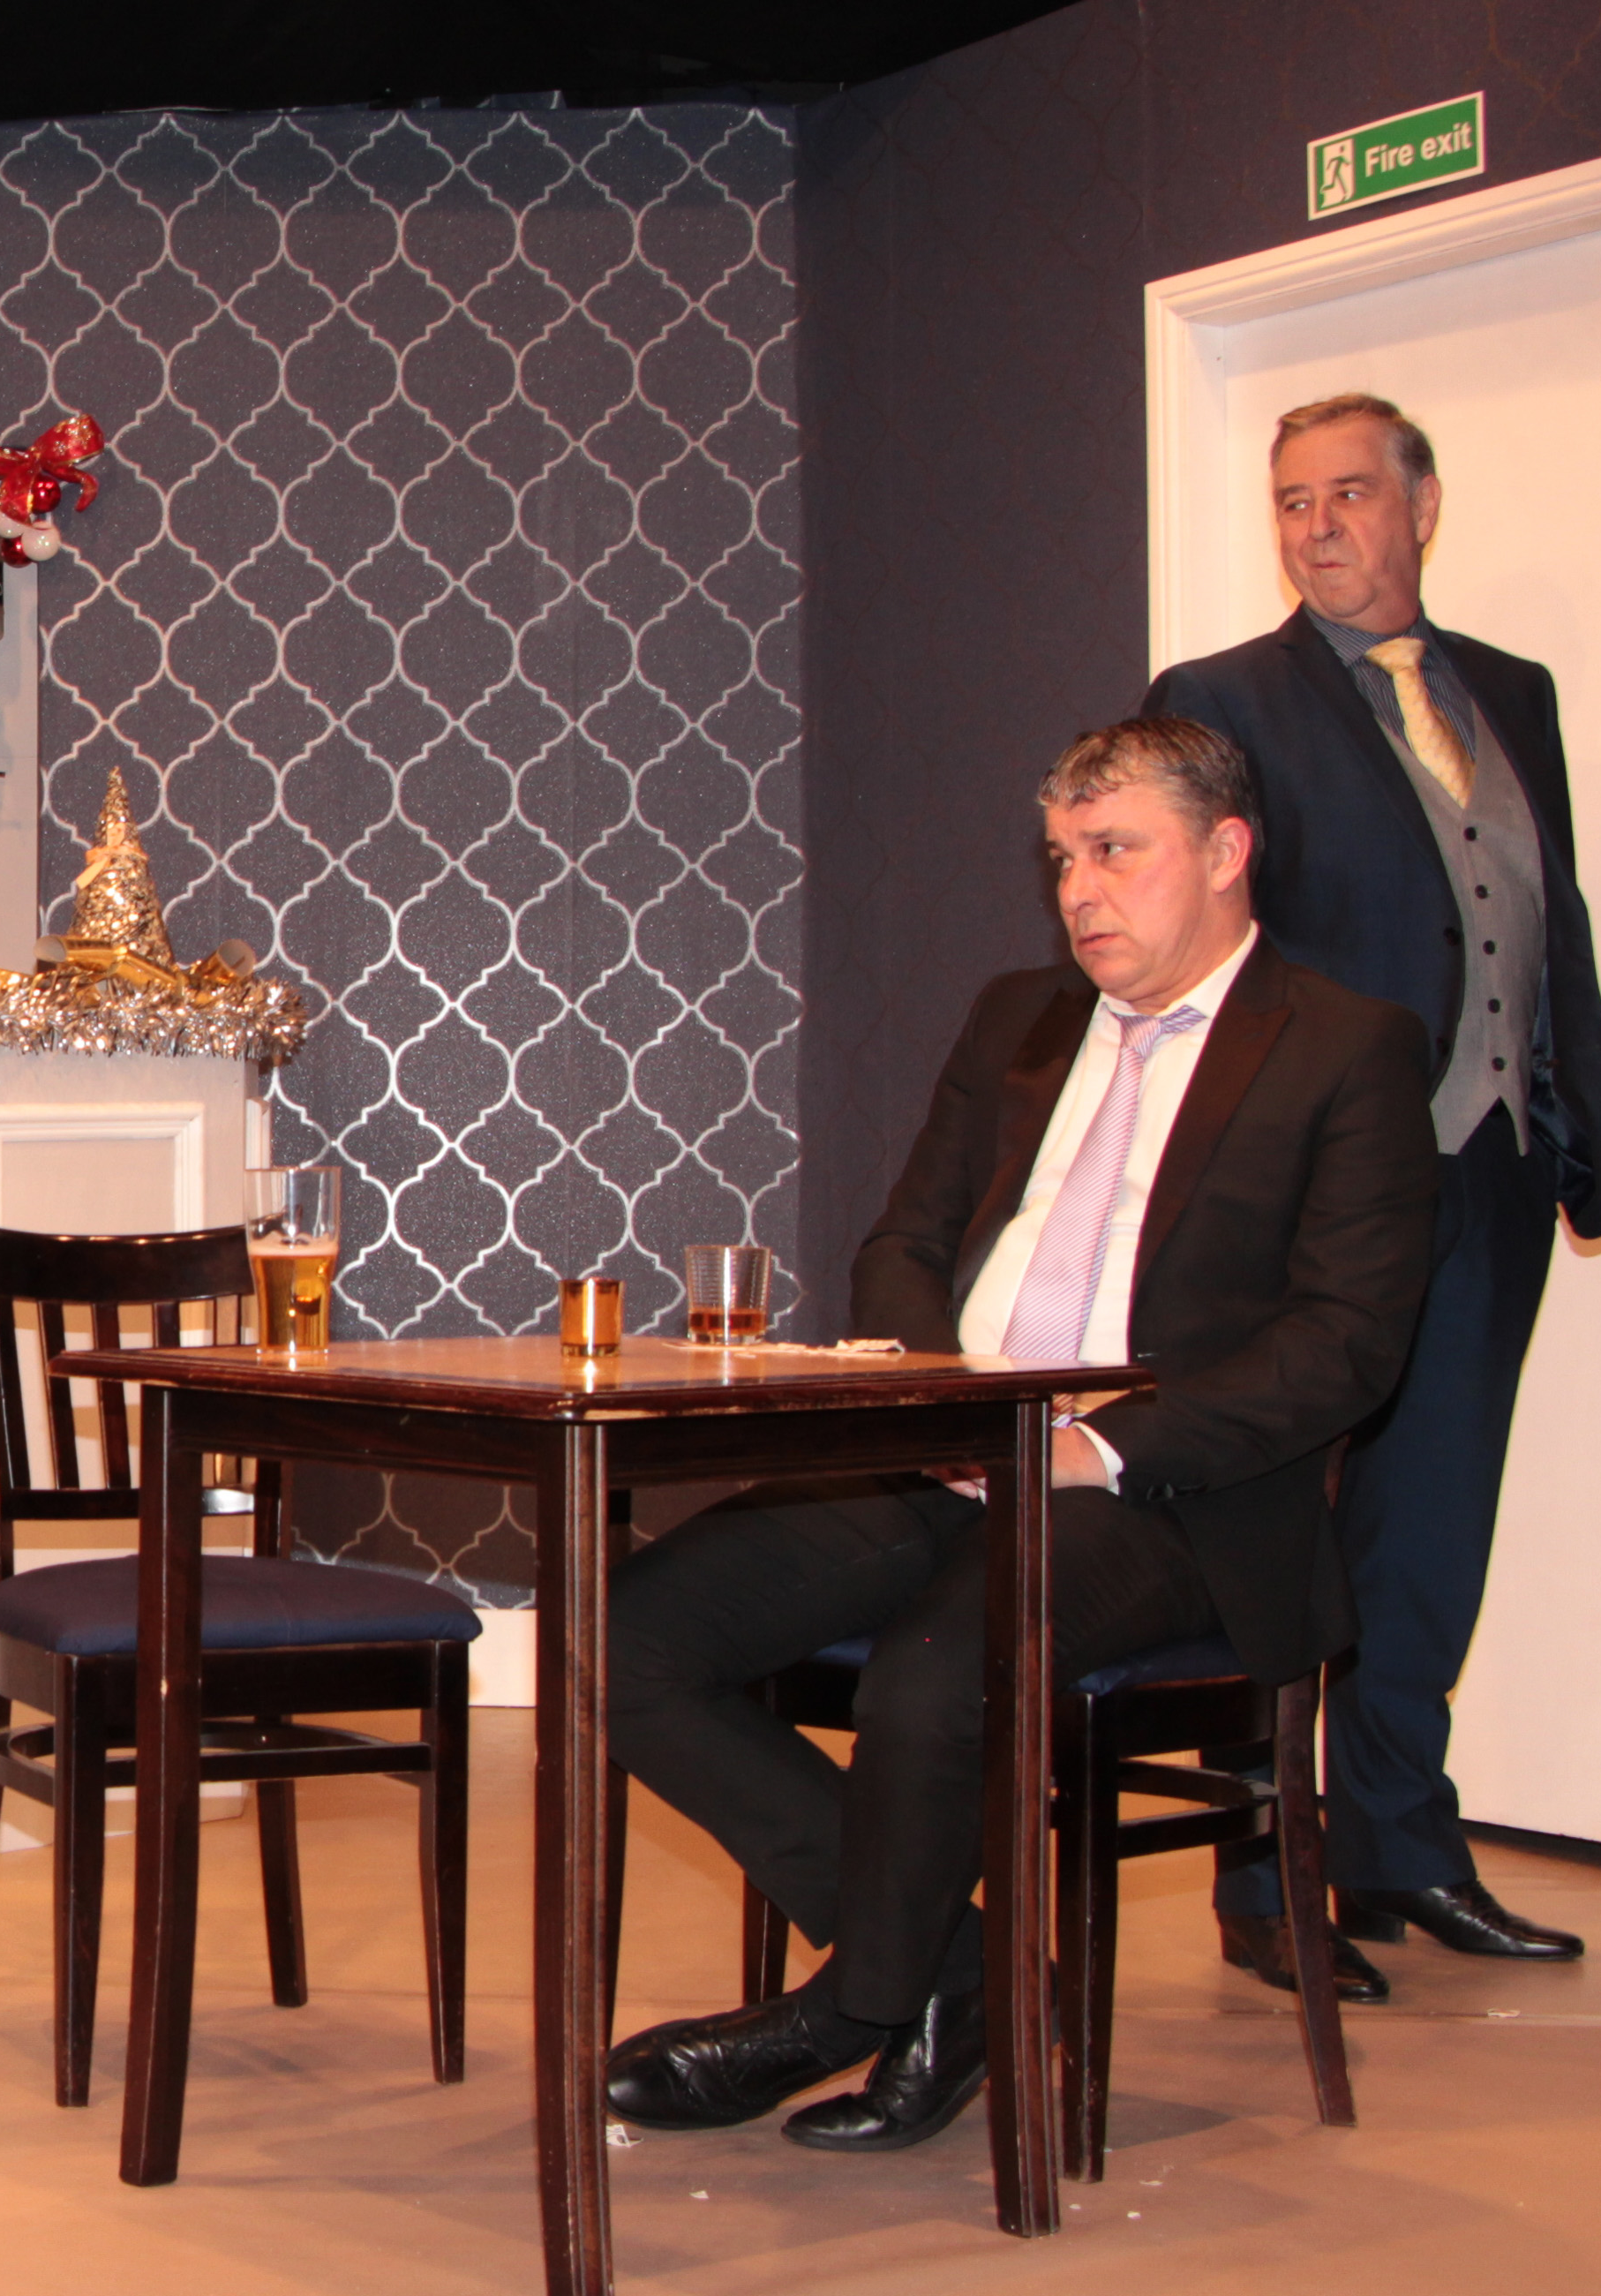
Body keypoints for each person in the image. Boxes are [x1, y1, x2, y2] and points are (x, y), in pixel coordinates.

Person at [598, 716, 1434, 2150]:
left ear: (1226, 853)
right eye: (1061, 860)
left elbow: (1346, 1342)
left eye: (1114, 852)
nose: (1078, 891)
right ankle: (956, 1975)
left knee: (935, 1674)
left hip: (1171, 1496)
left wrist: (1099, 1445)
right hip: (952, 1448)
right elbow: (904, 1243)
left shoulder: (1346, 1048)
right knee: (623, 1637)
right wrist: (940, 1398)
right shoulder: (1021, 1020)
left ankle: (850, 2012)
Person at [1145, 393, 1601, 1990]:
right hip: (1311, 1182)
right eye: (1292, 501)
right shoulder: (1223, 701)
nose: (1319, 525)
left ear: (1421, 506)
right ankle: (1263, 1882)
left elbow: (1544, 911)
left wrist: (1575, 1114)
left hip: (1490, 1165)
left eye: (1349, 493)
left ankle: (1400, 1847)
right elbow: (1202, 938)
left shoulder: (1510, 693)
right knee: (1278, 1522)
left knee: (1431, 1531)